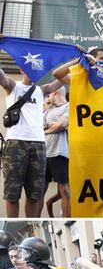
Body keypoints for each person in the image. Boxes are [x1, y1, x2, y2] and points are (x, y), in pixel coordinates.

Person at [0, 65, 63, 218]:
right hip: (16, 143)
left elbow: (61, 79)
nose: (33, 73)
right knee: (12, 193)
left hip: (39, 145)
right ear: (21, 71)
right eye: (29, 69)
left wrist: (78, 60)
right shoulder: (13, 87)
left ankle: (32, 227)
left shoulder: (42, 90)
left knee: (35, 193)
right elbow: (2, 77)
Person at [38, 86, 70, 217]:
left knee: (64, 190)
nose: (46, 97)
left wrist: (45, 129)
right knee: (39, 191)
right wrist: (51, 125)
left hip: (59, 153)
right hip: (43, 155)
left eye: (48, 95)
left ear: (55, 92)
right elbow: (37, 126)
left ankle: (67, 217)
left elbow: (61, 125)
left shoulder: (68, 107)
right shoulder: (46, 111)